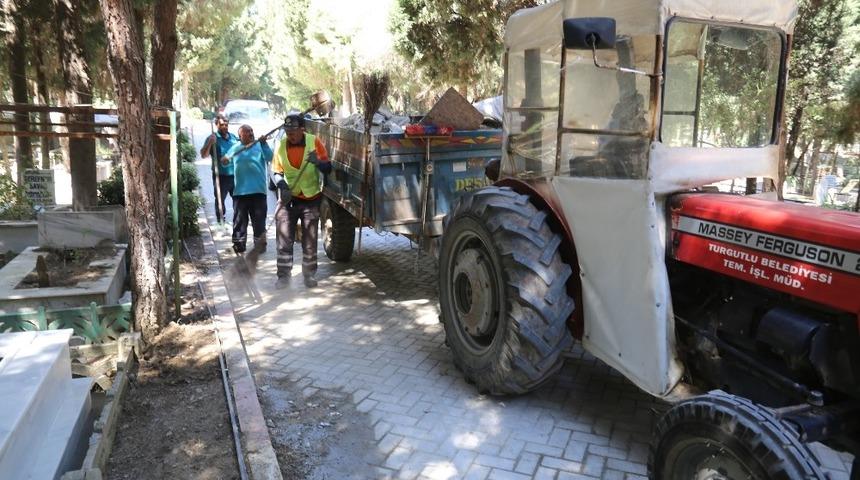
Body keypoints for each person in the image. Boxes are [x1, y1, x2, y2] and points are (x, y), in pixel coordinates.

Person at [271, 114, 332, 288]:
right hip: (288, 201)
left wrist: (318, 162)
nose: (290, 134)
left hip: (310, 199)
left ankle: (309, 275)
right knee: (284, 240)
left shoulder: (314, 142)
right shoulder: (281, 145)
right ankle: (283, 277)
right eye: (287, 131)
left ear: (302, 129)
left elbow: (328, 168)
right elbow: (276, 171)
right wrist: (282, 186)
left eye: (293, 131)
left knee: (310, 241)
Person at [223, 124, 273, 254]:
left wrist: (264, 144)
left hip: (258, 191)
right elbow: (225, 161)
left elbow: (270, 157)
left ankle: (260, 246)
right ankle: (239, 245)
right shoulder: (235, 148)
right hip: (240, 192)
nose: (251, 133)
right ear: (240, 136)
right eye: (247, 132)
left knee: (259, 221)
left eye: (251, 131)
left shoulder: (259, 145)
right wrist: (224, 160)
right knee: (240, 220)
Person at [200, 114, 239, 223]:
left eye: (226, 124)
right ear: (217, 125)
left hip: (235, 175)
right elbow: (204, 155)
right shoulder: (213, 138)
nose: (225, 127)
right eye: (222, 125)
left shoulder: (234, 138)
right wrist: (209, 143)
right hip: (220, 176)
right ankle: (221, 220)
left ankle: (238, 219)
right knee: (220, 200)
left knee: (238, 199)